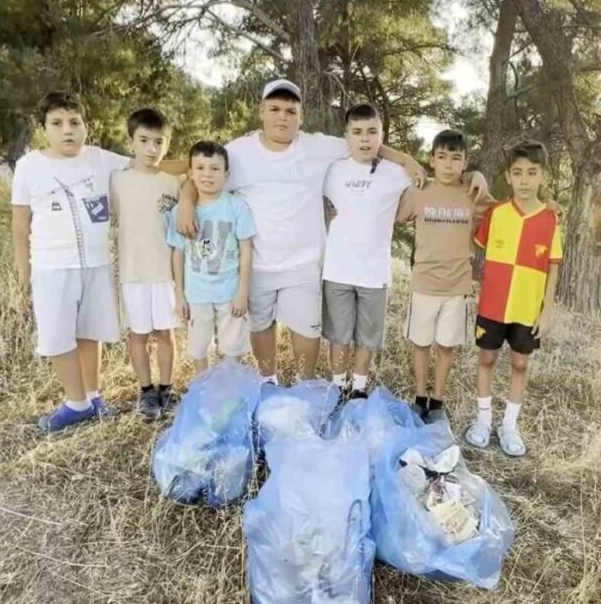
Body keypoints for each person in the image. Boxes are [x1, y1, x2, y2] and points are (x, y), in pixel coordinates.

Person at [175, 79, 488, 385]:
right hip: (257, 260)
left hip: (304, 261)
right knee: (260, 325)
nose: (282, 116)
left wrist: (413, 161)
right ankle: (267, 382)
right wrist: (187, 201)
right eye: (275, 109)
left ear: (301, 117)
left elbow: (367, 145)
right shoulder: (240, 151)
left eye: (290, 110)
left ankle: (305, 385)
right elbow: (203, 171)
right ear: (261, 111)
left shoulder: (318, 146)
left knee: (307, 332)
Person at [11, 92, 134, 433]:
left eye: (75, 122)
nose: (67, 130)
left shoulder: (100, 159)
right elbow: (20, 223)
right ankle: (75, 402)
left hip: (96, 264)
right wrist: (24, 273)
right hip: (52, 266)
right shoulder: (29, 166)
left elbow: (144, 166)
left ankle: (93, 397)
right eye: (57, 123)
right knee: (57, 335)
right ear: (44, 128)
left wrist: (198, 166)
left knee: (89, 331)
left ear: (87, 126)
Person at [465, 140, 563, 457]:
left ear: (543, 177)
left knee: (520, 364)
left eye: (532, 173)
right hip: (492, 304)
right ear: (508, 177)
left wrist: (546, 311)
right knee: (487, 359)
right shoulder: (497, 213)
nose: (524, 180)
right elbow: (473, 246)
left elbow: (553, 268)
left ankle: (509, 426)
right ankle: (482, 421)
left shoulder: (550, 220)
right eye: (517, 173)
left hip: (527, 308)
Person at [395, 129, 496, 425]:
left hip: (456, 286)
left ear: (464, 162)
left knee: (446, 346)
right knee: (421, 344)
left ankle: (437, 400)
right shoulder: (419, 192)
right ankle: (419, 398)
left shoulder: (472, 194)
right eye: (442, 157)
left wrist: (480, 177)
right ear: (431, 160)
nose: (449, 165)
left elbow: (504, 212)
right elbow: (396, 214)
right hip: (424, 283)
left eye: (456, 158)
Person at [321, 104, 411, 399]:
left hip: (374, 273)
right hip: (337, 269)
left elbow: (430, 183)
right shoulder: (331, 170)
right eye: (357, 132)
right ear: (347, 136)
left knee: (367, 338)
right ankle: (337, 384)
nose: (365, 139)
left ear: (381, 135)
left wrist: (478, 179)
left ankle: (358, 387)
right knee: (338, 335)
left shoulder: (396, 173)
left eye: (372, 131)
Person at [111, 108, 182, 420]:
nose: (152, 148)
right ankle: (146, 390)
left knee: (166, 333)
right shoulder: (117, 180)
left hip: (165, 271)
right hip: (133, 271)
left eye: (159, 142)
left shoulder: (172, 183)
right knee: (138, 335)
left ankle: (167, 388)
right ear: (132, 142)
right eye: (144, 141)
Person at [167, 141, 257, 374]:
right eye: (200, 168)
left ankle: (230, 389)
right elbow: (178, 253)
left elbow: (246, 249)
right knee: (199, 347)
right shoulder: (180, 212)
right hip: (197, 293)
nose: (207, 174)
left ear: (226, 174)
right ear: (190, 173)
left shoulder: (236, 206)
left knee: (232, 348)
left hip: (230, 292)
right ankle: (203, 387)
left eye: (215, 169)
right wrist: (179, 295)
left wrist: (242, 292)